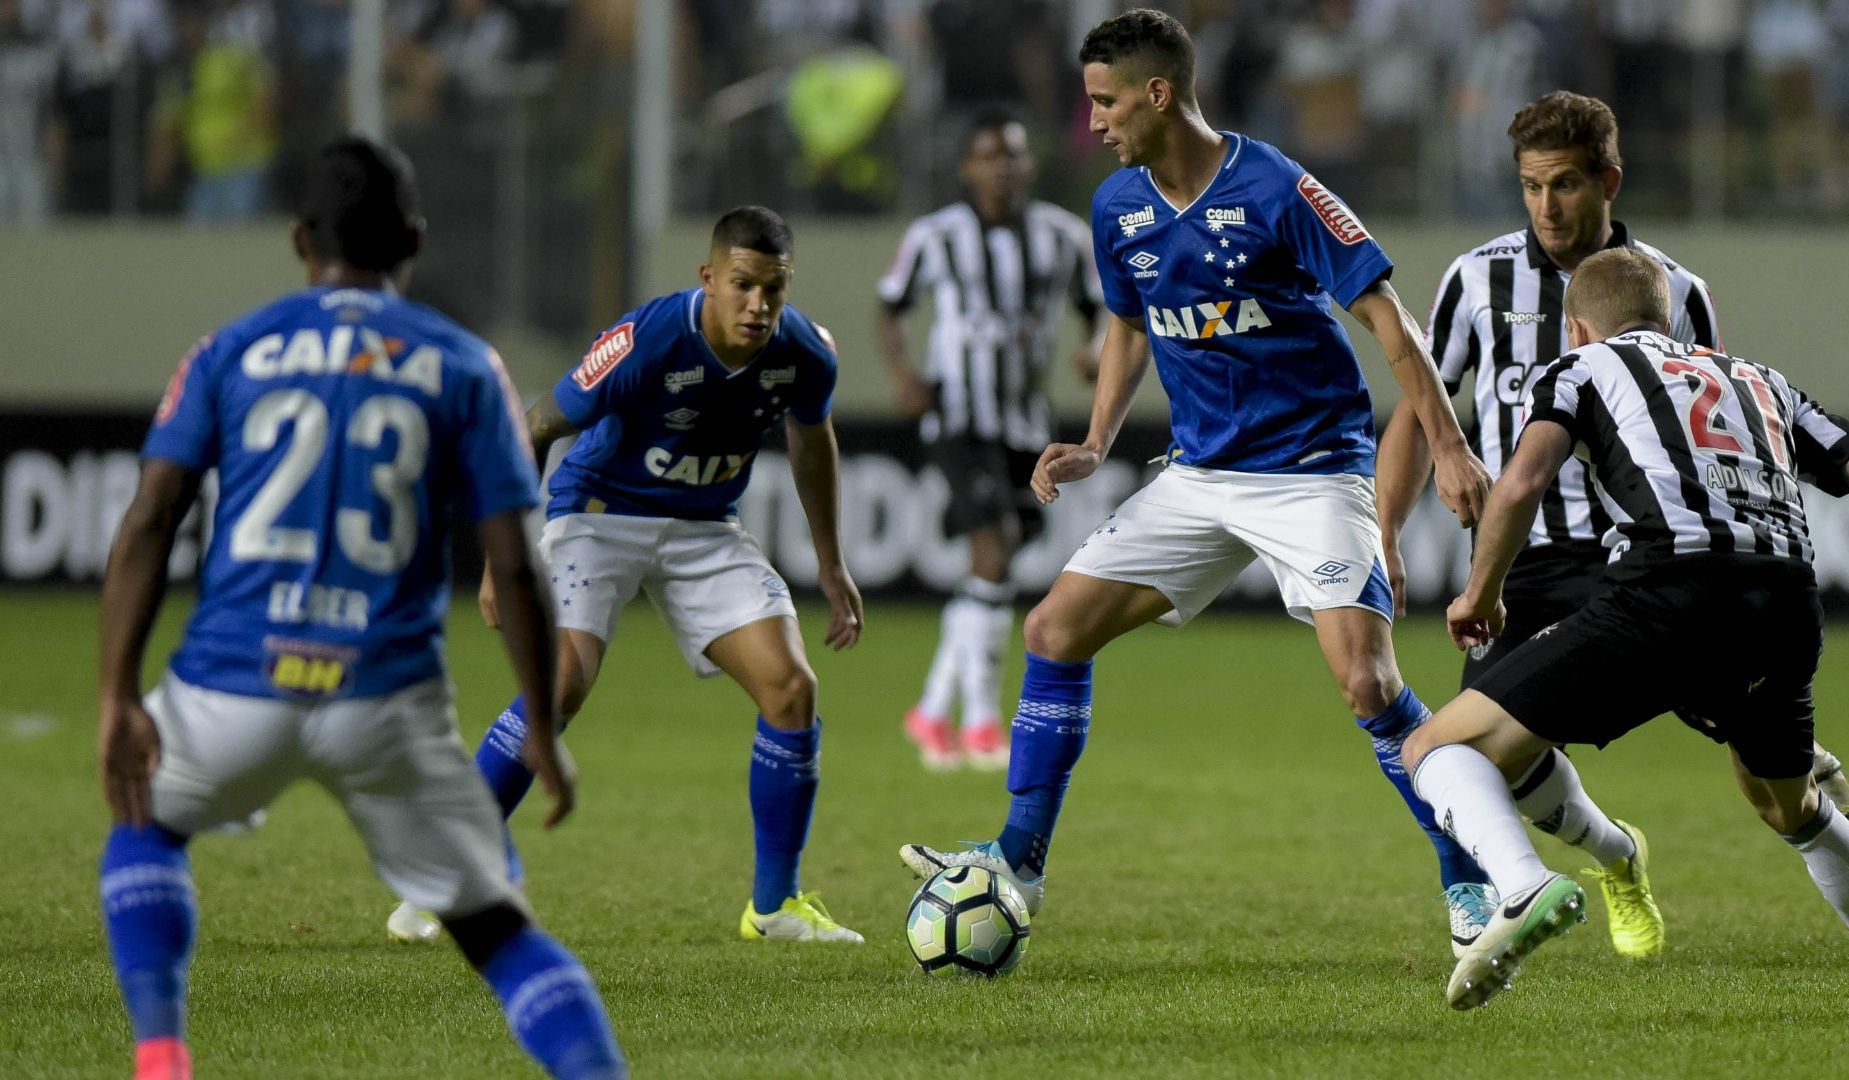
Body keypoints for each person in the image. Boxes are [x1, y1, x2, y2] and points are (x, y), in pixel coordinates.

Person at [898, 8, 1492, 929]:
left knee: (1368, 684)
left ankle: (1469, 879)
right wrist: (1098, 440)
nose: (1091, 122)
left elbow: (1390, 321)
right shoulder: (1117, 207)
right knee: (1054, 631)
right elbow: (1129, 326)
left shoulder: (1279, 187)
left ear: (1159, 95)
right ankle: (1017, 860)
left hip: (1311, 470)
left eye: (1105, 103)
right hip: (1198, 475)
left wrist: (1447, 445)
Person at [97, 137, 626, 1080]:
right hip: (386, 697)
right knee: (502, 936)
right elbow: (515, 557)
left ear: (300, 240)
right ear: (414, 241)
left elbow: (150, 520)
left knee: (146, 829)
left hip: (233, 683)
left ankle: (162, 1051)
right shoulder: (465, 365)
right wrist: (541, 724)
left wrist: (115, 694)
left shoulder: (231, 348)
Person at [1377, 89, 1849, 960]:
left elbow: (1714, 420)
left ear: (1609, 182)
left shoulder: (1677, 290)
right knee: (1502, 759)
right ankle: (1618, 858)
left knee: (1765, 767)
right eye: (1531, 187)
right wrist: (1393, 527)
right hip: (1537, 563)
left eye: (1565, 186)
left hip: (1649, 559)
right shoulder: (1475, 279)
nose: (1548, 208)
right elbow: (1417, 407)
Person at [388, 206, 866, 945]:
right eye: (742, 285)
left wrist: (831, 563)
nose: (758, 305)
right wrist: (498, 559)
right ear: (708, 278)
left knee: (792, 689)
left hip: (705, 530)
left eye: (774, 289)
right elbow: (534, 424)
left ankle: (773, 907)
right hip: (597, 515)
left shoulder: (805, 353)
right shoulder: (643, 341)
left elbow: (813, 442)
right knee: (563, 684)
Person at [881, 107, 1106, 772]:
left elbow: (1102, 311)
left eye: (1011, 155)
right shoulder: (935, 235)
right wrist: (904, 376)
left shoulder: (1062, 237)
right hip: (958, 415)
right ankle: (980, 721)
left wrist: (1095, 353)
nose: (1000, 168)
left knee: (995, 566)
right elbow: (890, 307)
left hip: (1025, 424)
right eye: (988, 155)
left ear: (1027, 164)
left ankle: (929, 710)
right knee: (996, 546)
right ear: (966, 167)